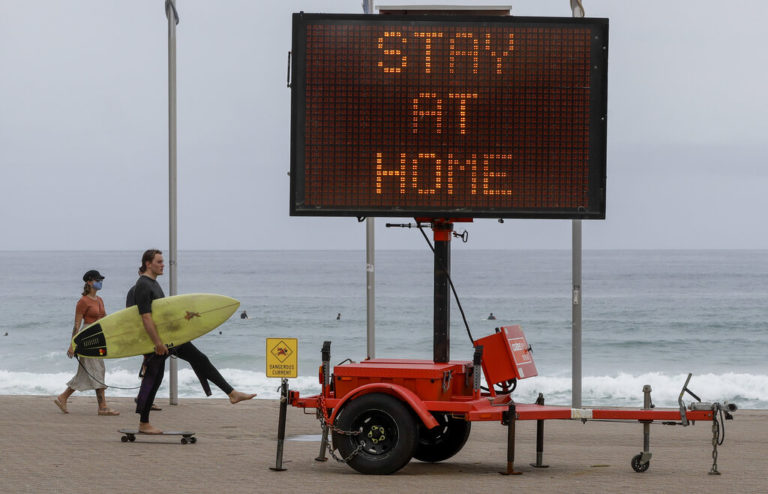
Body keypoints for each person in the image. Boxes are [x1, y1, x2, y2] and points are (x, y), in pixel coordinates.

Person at [130, 249, 256, 434]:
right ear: (148, 264)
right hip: (159, 342)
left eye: (162, 261)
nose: (163, 264)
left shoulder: (154, 284)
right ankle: (143, 423)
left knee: (199, 359)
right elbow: (146, 317)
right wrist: (157, 343)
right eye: (159, 261)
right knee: (154, 379)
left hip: (170, 339)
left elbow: (162, 314)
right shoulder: (143, 285)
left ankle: (232, 393)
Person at [54, 270, 119, 416]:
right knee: (97, 369)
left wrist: (112, 335)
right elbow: (76, 325)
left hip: (98, 336)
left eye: (101, 280)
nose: (100, 282)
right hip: (87, 337)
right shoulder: (82, 301)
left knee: (86, 372)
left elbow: (105, 320)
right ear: (89, 282)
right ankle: (102, 407)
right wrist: (72, 345)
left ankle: (62, 397)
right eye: (97, 279)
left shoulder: (100, 300)